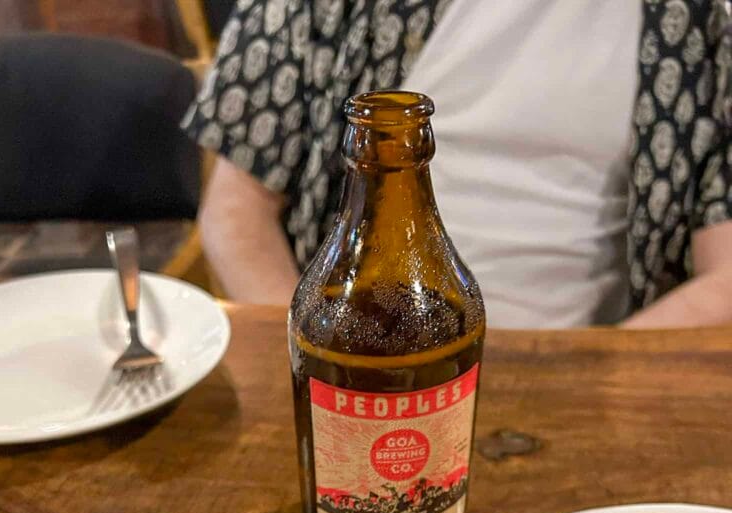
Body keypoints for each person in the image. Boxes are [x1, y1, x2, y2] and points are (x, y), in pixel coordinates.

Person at [183, 0, 732, 329]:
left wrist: (585, 372)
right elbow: (236, 211)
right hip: (357, 360)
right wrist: (315, 368)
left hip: (589, 361)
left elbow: (724, 274)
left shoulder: (698, 20)